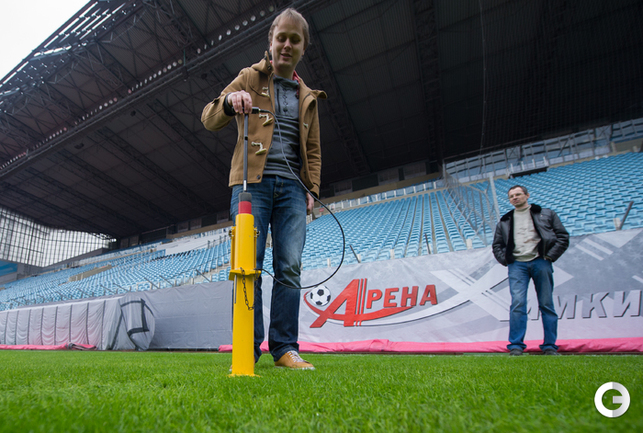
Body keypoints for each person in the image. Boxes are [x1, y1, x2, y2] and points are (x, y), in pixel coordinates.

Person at [201, 8, 325, 369]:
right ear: (270, 42)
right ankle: (247, 347)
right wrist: (229, 102)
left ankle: (284, 348)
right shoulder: (248, 77)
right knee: (247, 267)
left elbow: (313, 150)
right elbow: (209, 117)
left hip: (293, 191)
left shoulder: (308, 96)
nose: (286, 45)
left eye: (294, 40)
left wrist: (312, 189)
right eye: (281, 38)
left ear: (303, 48)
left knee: (290, 268)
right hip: (251, 187)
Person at [492, 185, 569, 356]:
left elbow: (562, 237)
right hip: (517, 265)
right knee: (518, 304)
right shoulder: (505, 220)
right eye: (511, 196)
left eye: (518, 194)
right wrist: (506, 260)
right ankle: (516, 346)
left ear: (527, 195)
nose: (515, 197)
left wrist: (549, 256)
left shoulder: (546, 214)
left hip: (541, 262)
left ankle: (550, 346)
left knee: (546, 303)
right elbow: (497, 245)